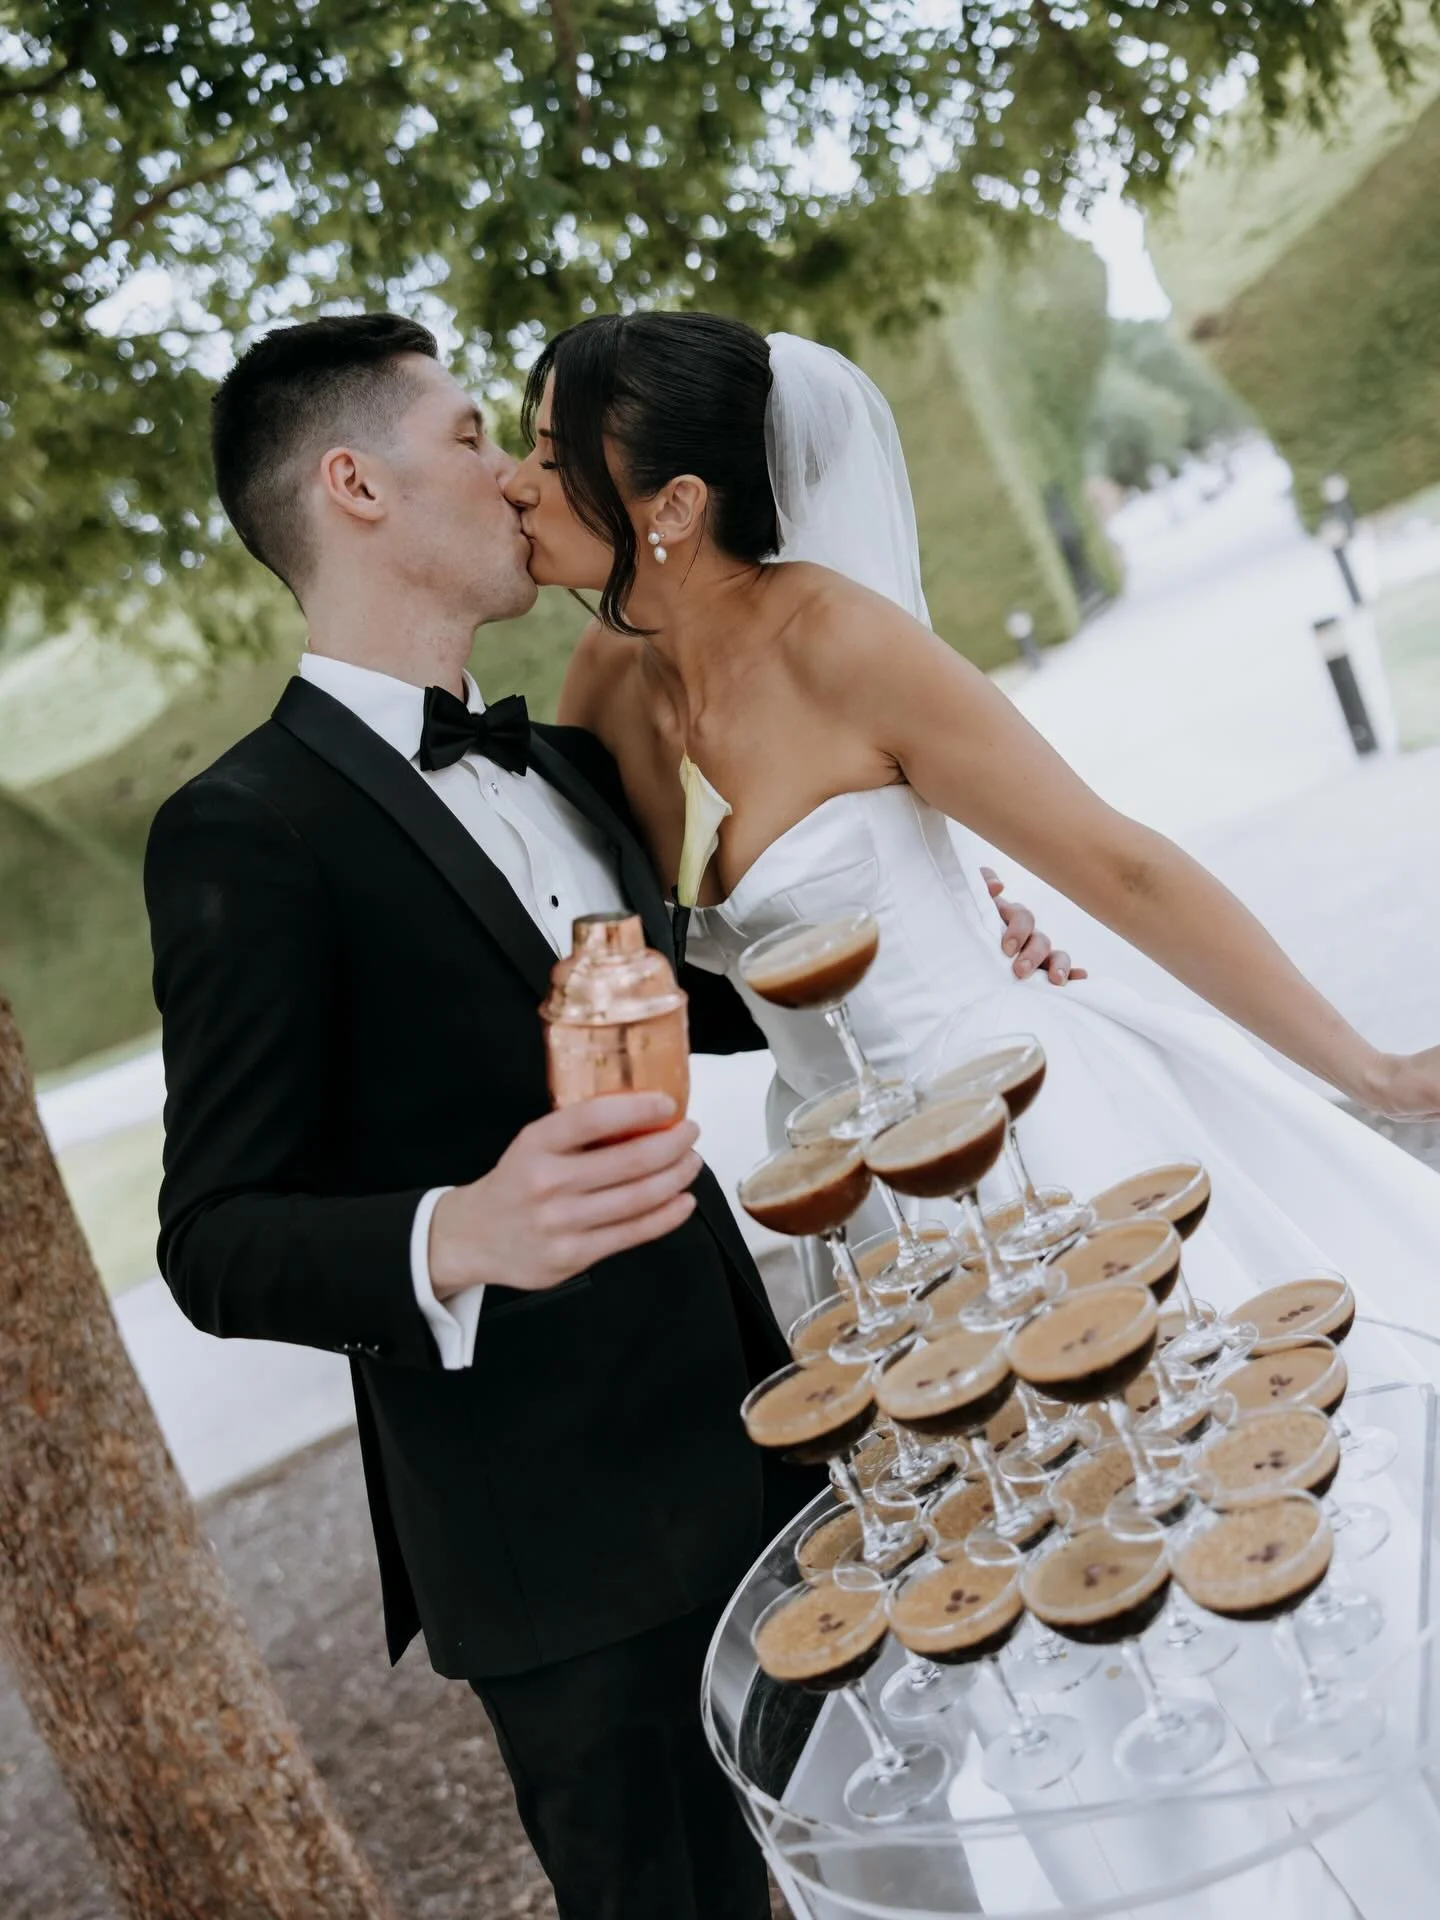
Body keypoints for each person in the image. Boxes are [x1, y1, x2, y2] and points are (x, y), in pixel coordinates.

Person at [143, 312, 1063, 1920]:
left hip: (776, 1443)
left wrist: (927, 928)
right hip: (554, 1547)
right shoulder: (241, 829)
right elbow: (214, 1237)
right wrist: (458, 1231)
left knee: (906, 1873)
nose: (516, 475)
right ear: (355, 486)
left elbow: (698, 986)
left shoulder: (565, 763)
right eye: (472, 434)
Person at [504, 311, 1440, 1329]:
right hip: (846, 1192)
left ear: (673, 505)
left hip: (1016, 1136)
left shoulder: (845, 644)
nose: (515, 481)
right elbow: (625, 968)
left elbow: (1121, 865)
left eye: (550, 460)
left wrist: (1374, 1072)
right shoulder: (602, 680)